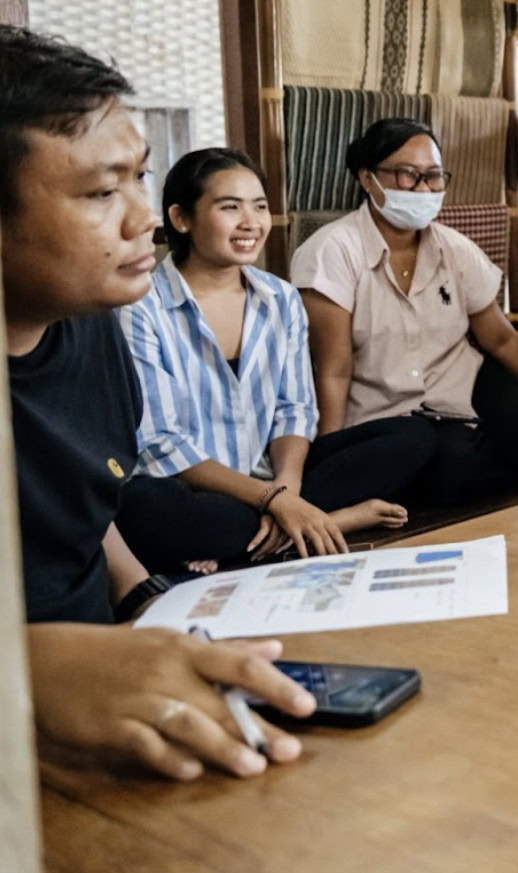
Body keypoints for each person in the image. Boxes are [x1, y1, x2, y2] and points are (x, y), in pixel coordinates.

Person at [2, 25, 314, 779]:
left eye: (139, 178)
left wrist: (142, 596)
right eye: (103, 191)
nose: (143, 217)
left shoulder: (94, 326)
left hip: (110, 701)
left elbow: (84, 502)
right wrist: (32, 673)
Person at [115, 148, 435, 572]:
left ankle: (265, 532)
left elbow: (295, 409)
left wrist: (285, 487)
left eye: (260, 206)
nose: (251, 222)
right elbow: (159, 442)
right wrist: (274, 501)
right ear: (181, 218)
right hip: (190, 487)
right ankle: (330, 521)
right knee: (141, 507)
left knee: (414, 437)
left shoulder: (280, 297)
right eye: (230, 207)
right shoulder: (140, 306)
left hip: (270, 473)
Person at [292, 119, 518, 506]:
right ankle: (488, 448)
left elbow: (502, 339)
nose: (424, 188)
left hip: (463, 381)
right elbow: (333, 368)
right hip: (386, 406)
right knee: (454, 469)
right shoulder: (333, 251)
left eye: (434, 176)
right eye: (409, 175)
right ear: (367, 179)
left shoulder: (455, 249)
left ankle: (490, 443)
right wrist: (333, 454)